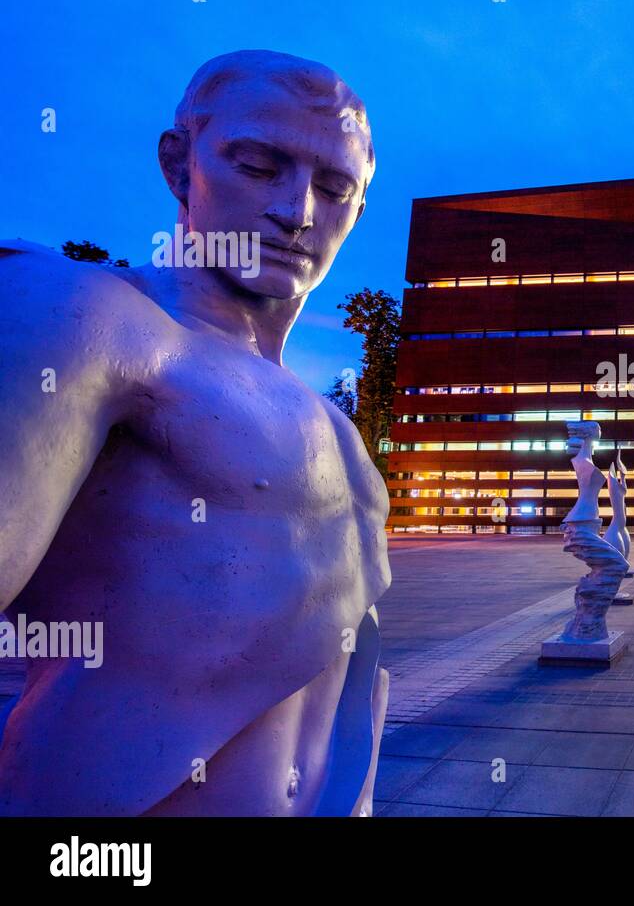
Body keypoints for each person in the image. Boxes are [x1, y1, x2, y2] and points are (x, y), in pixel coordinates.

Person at [0, 51, 389, 816]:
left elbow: (354, 682)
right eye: (258, 164)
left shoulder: (341, 436)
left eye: (334, 189)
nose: (297, 211)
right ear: (180, 165)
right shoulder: (91, 317)